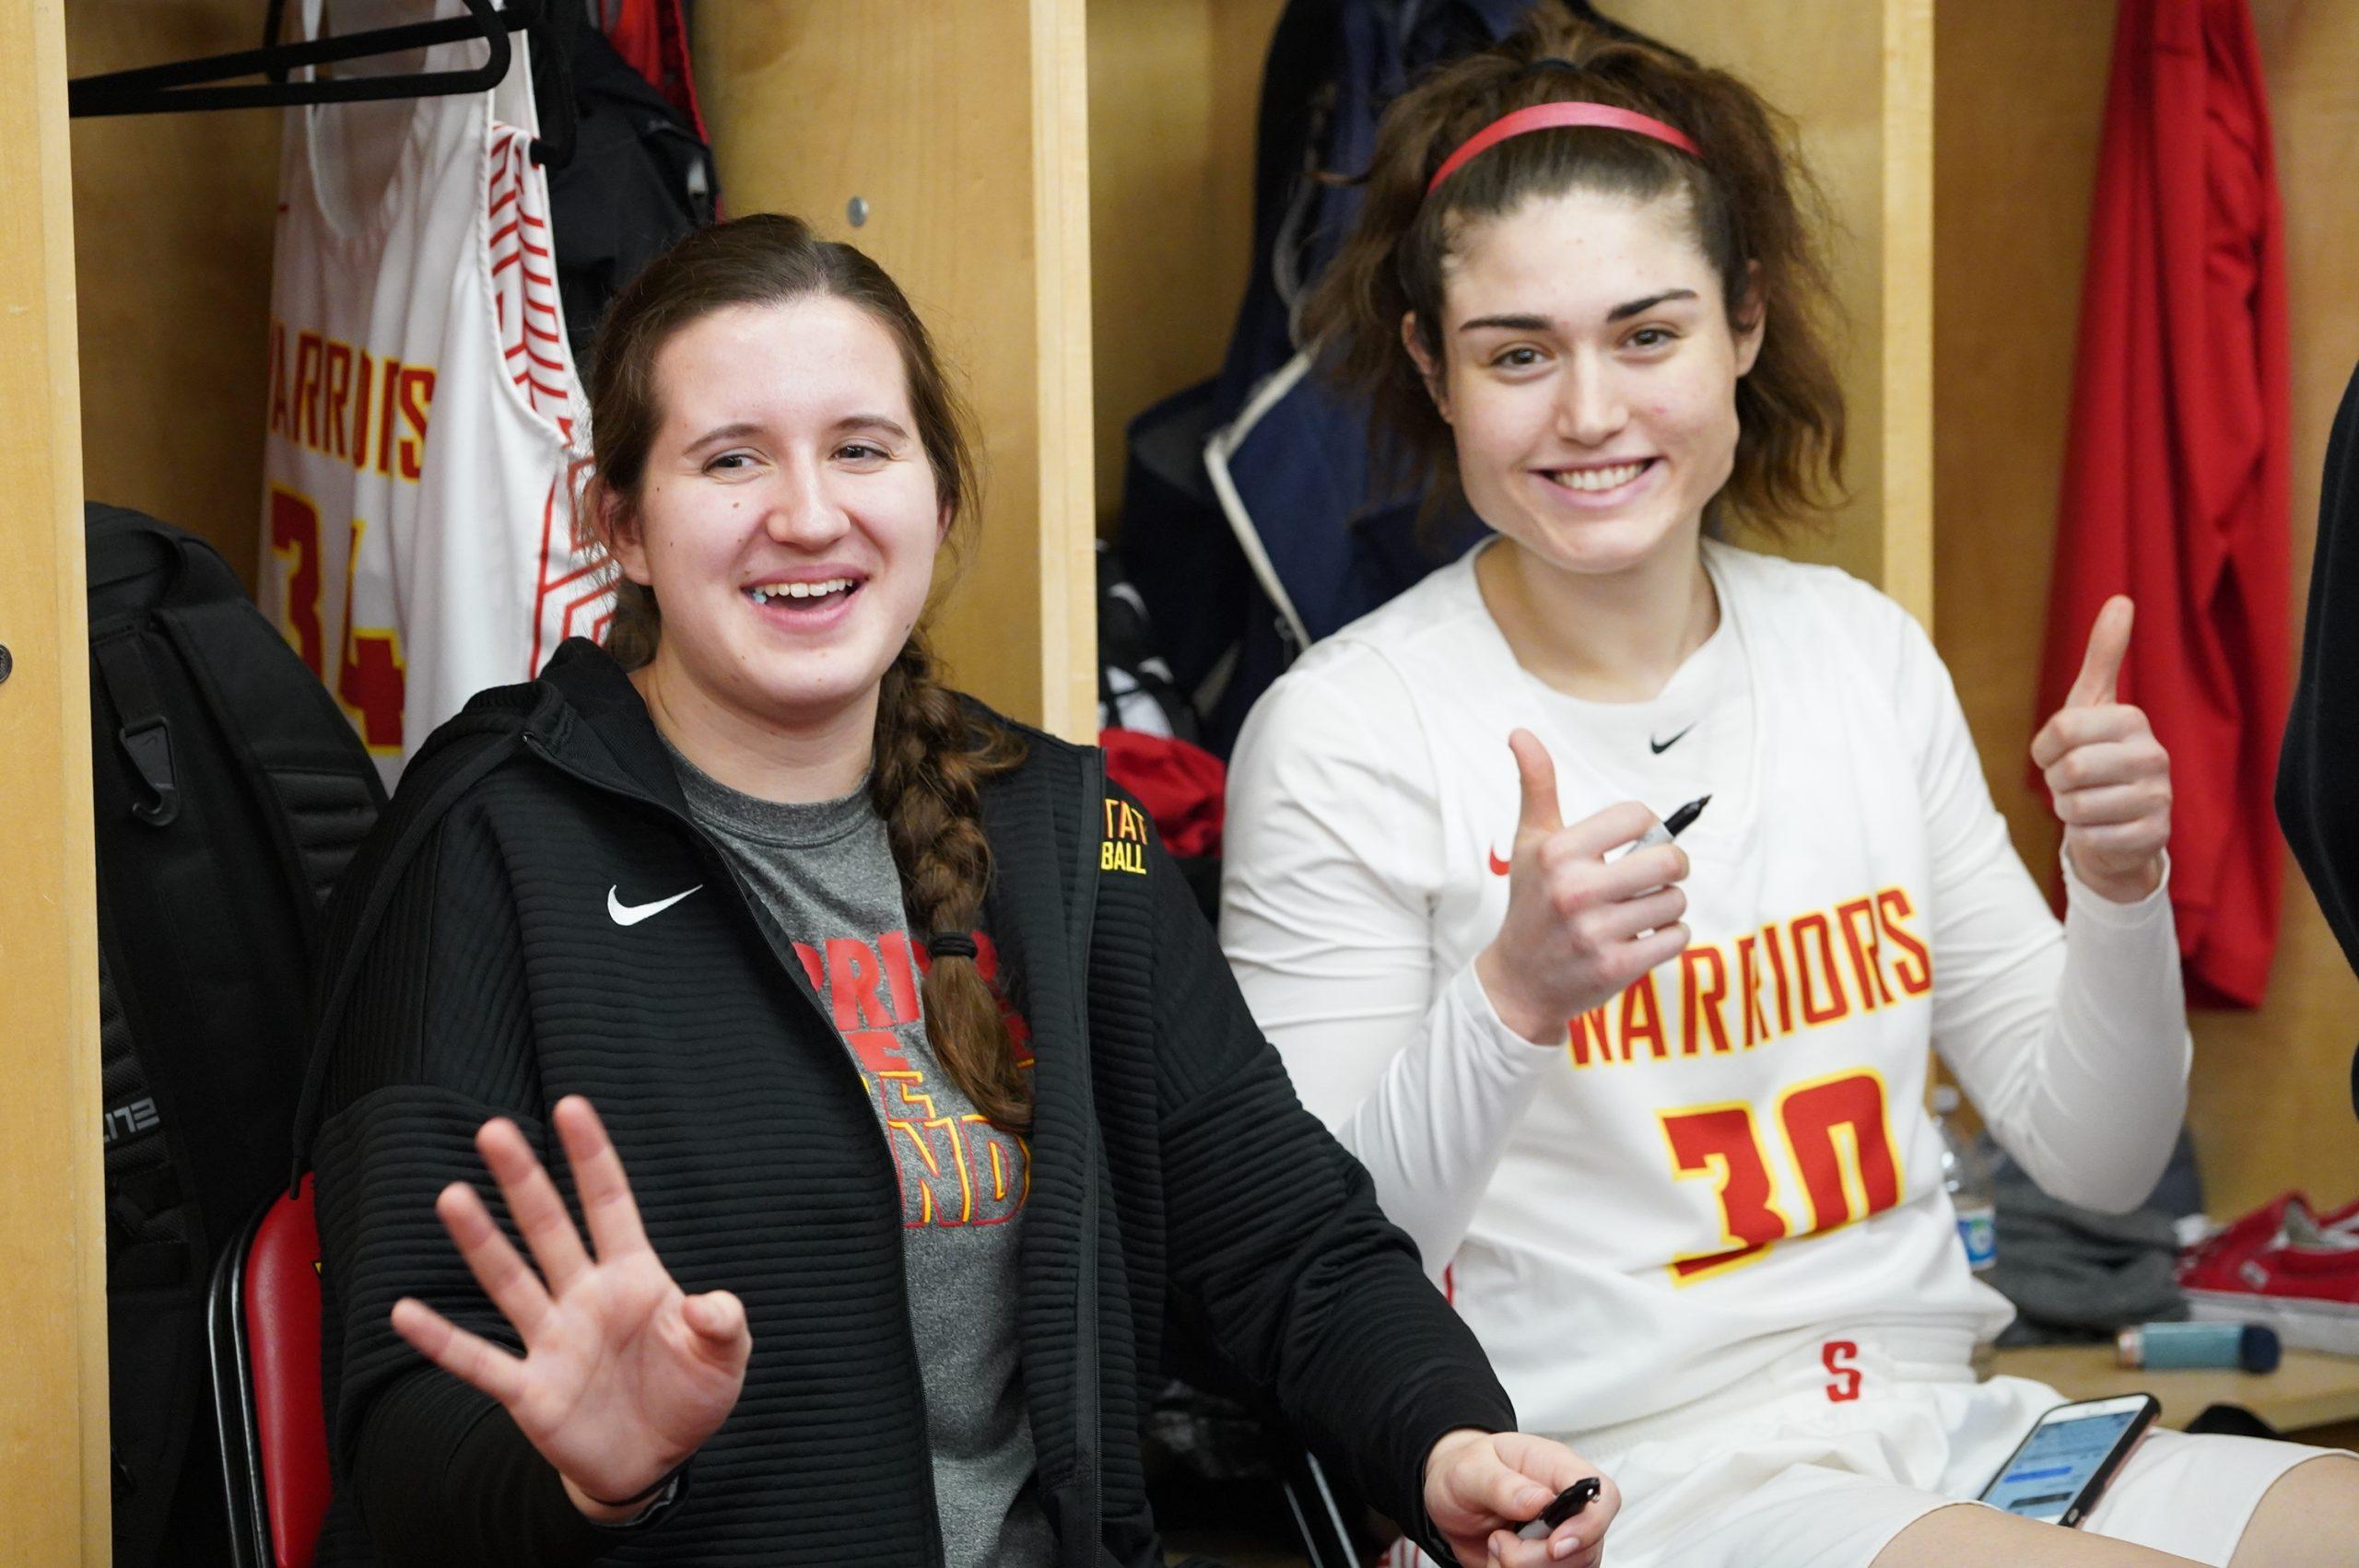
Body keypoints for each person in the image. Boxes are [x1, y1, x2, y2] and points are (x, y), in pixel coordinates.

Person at [299, 213, 1618, 1568]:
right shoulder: (486, 843)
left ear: (934, 500)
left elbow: (1286, 1234)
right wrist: (593, 1474)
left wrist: (1453, 1441)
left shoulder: (1067, 834)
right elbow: (402, 1435)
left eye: (861, 448)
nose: (807, 513)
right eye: (731, 457)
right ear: (620, 524)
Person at [1218, 16, 2359, 1568]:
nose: (1592, 412)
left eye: (1647, 333)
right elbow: (1318, 1266)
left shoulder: (1857, 652)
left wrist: (2118, 883)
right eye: (1516, 353)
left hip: (1942, 1427)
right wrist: (1515, 992)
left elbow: (2095, 1158)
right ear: (1431, 365)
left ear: (1742, 324)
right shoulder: (1343, 730)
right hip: (1609, 1482)